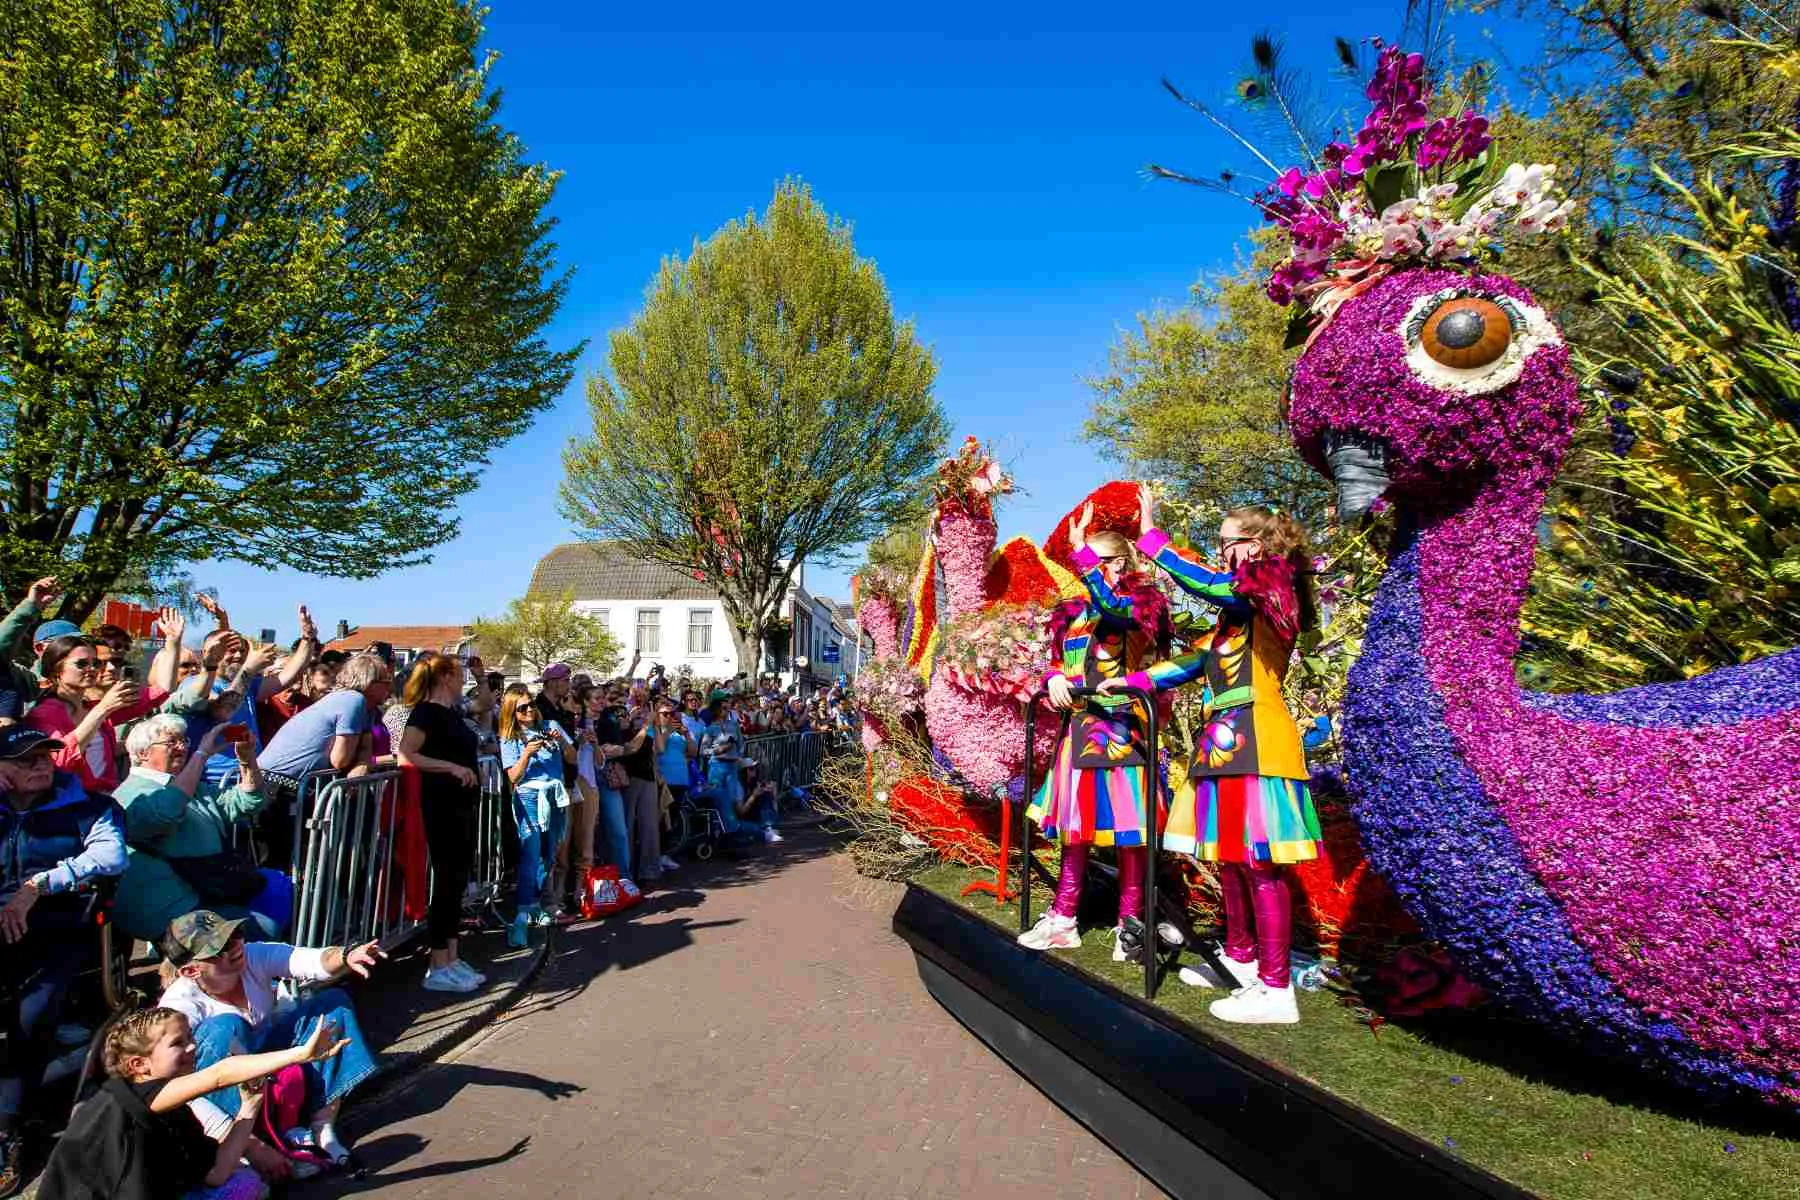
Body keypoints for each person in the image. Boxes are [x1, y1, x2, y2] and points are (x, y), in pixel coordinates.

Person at [1121, 492, 1323, 1025]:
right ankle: (1241, 961)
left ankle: (1277, 990)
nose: (1220, 553)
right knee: (1230, 859)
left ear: (1253, 547)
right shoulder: (1233, 620)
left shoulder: (1269, 588)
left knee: (1259, 864)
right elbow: (1188, 664)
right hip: (1221, 746)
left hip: (1258, 740)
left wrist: (1152, 537)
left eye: (1226, 543)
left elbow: (1209, 584)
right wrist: (1120, 685)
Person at [1020, 501, 1176, 966]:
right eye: (1091, 562)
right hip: (1079, 731)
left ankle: (1131, 925)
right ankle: (1064, 919)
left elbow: (1118, 613)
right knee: (1074, 829)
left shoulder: (1142, 603)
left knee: (1131, 831)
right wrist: (1052, 678)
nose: (1094, 570)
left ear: (1123, 563)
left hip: (1125, 729)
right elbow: (1063, 660)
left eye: (1103, 561)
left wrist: (1080, 555)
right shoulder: (1073, 612)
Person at [36, 1007, 350, 1200]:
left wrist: (249, 1107)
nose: (192, 1047)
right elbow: (218, 1076)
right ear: (138, 1065)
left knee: (245, 1181)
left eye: (190, 1037)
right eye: (178, 1043)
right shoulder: (132, 1096)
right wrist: (299, 1054)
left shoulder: (174, 1111)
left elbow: (216, 1173)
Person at [0, 728, 128, 1196]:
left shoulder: (89, 807)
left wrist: (38, 887)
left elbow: (111, 857)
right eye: (24, 759)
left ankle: (7, 1132)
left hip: (58, 928)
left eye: (45, 756)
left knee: (27, 1020)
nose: (40, 765)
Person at [158, 911, 382, 1172]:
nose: (235, 946)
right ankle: (259, 1142)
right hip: (234, 1098)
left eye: (235, 935)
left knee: (332, 1003)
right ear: (191, 969)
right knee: (224, 1028)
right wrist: (252, 1147)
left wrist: (346, 955)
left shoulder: (255, 954)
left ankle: (322, 1128)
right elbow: (176, 1087)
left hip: (272, 1067)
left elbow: (311, 960)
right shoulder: (178, 1007)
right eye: (220, 948)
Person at [114, 716, 291, 943]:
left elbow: (249, 800)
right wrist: (202, 754)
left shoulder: (190, 786)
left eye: (184, 741)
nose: (182, 747)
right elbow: (166, 812)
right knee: (266, 929)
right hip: (171, 909)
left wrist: (247, 760)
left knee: (283, 889)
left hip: (209, 892)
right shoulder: (130, 794)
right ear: (143, 753)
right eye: (171, 742)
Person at [396, 652, 485, 993]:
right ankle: (436, 965)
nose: (463, 677)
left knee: (457, 881)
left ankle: (452, 956)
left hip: (462, 804)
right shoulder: (425, 712)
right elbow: (407, 753)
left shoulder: (453, 713)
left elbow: (485, 705)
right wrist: (450, 768)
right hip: (441, 804)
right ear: (446, 676)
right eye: (459, 672)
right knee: (446, 883)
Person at [253, 653, 390, 868]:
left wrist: (362, 764)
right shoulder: (353, 700)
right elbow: (341, 759)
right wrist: (359, 765)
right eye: (386, 682)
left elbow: (364, 749)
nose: (390, 687)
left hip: (287, 787)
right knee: (278, 864)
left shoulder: (364, 708)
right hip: (277, 788)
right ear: (370, 682)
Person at [497, 687, 574, 944]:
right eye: (521, 708)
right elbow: (513, 777)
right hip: (529, 798)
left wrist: (561, 741)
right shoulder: (510, 736)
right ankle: (522, 912)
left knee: (549, 855)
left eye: (530, 704)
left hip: (554, 796)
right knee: (531, 854)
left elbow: (572, 758)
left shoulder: (550, 724)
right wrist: (528, 753)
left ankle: (538, 907)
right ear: (512, 712)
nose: (529, 710)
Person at [25, 636, 142, 793]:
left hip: (105, 798)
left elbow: (161, 691)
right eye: (81, 664)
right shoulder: (44, 713)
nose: (92, 669)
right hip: (70, 804)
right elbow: (60, 760)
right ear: (57, 670)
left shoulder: (92, 706)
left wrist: (172, 642)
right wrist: (103, 709)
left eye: (95, 663)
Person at [616, 685, 674, 881]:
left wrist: (655, 724)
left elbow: (659, 748)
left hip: (647, 775)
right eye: (636, 693)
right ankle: (626, 873)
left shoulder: (650, 718)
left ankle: (649, 870)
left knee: (650, 825)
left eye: (644, 693)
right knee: (628, 825)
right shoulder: (624, 713)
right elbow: (629, 747)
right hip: (629, 775)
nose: (640, 696)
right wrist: (636, 721)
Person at [574, 684, 630, 885]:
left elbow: (619, 747)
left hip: (605, 776)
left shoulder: (609, 719)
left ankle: (623, 878)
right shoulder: (576, 719)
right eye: (597, 698)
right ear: (586, 701)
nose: (602, 702)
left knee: (617, 829)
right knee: (584, 834)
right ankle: (585, 884)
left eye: (603, 698)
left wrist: (612, 748)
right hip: (581, 778)